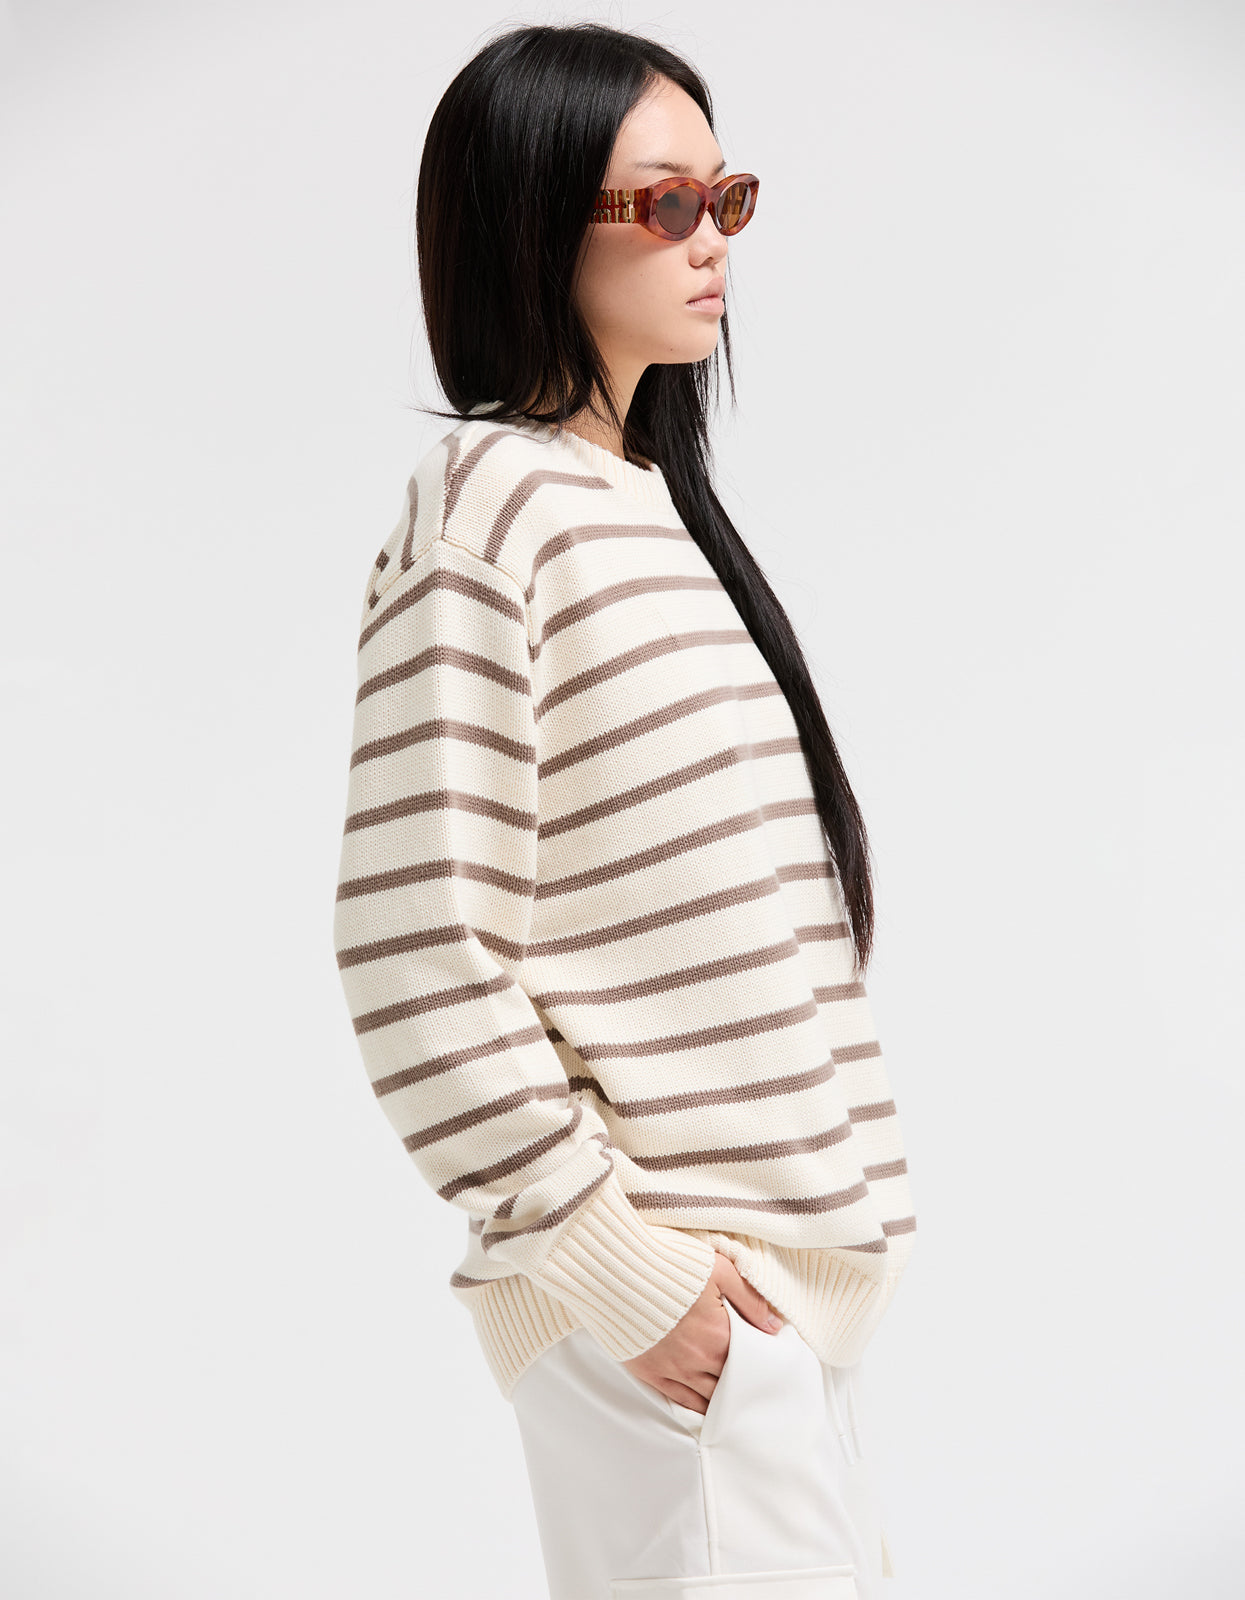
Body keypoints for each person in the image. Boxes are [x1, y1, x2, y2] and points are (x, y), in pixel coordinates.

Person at [333, 21, 918, 1600]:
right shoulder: (489, 506)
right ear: (533, 221)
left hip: (753, 1329)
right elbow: (415, 948)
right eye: (665, 204)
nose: (712, 239)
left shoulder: (646, 506)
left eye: (727, 197)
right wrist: (629, 1275)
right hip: (672, 1320)